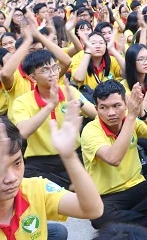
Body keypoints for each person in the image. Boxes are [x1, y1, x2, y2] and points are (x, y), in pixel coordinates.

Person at [0, 112, 103, 240]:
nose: (11, 177)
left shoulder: (35, 189)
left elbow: (93, 210)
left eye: (17, 163)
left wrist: (69, 157)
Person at [81, 80, 147, 229]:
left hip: (138, 185)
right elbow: (113, 158)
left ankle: (136, 225)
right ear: (96, 108)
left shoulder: (129, 120)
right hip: (108, 196)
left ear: (125, 105)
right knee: (100, 216)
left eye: (116, 105)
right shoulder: (90, 131)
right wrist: (132, 116)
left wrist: (142, 113)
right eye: (104, 108)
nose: (111, 113)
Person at [10, 50, 96, 188]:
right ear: (33, 78)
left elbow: (96, 114)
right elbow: (23, 132)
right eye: (45, 70)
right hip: (41, 162)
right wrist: (50, 105)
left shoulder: (70, 91)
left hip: (74, 153)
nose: (53, 73)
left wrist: (78, 102)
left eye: (55, 68)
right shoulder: (22, 101)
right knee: (30, 180)